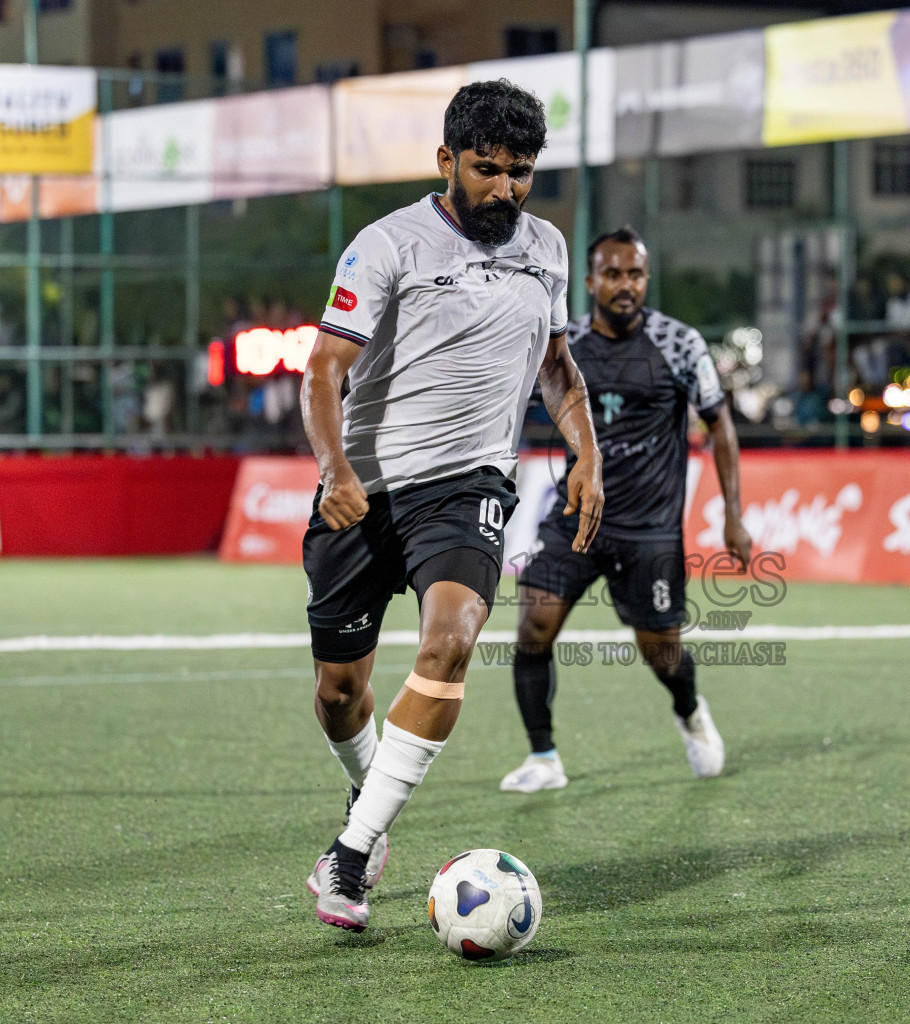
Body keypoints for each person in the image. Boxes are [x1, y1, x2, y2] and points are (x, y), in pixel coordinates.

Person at [299, 80, 605, 933]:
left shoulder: (547, 247)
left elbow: (558, 369)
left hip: (469, 485)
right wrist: (334, 471)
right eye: (486, 169)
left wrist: (588, 452)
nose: (504, 189)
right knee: (337, 695)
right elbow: (323, 371)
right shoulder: (387, 243)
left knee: (451, 638)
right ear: (446, 161)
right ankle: (370, 789)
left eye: (520, 172)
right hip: (364, 491)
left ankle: (351, 857)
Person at [499, 227, 753, 793]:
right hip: (576, 516)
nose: (624, 285)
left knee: (661, 653)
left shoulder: (679, 343)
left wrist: (734, 515)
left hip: (650, 530)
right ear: (589, 282)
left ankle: (689, 710)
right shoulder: (566, 346)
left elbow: (720, 425)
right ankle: (543, 757)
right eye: (612, 274)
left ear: (646, 279)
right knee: (534, 626)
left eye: (634, 274)